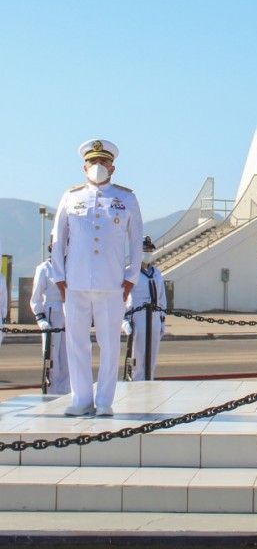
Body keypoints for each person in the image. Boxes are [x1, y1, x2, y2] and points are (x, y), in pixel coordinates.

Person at [51, 139, 143, 417]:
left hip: (112, 283)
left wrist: (131, 277)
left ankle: (104, 400)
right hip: (75, 282)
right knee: (76, 343)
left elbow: (136, 240)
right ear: (84, 167)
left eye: (103, 163)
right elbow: (58, 239)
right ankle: (81, 400)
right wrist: (59, 277)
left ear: (112, 168)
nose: (98, 167)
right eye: (94, 163)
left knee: (109, 343)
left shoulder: (126, 198)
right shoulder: (71, 197)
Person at [122, 236, 167, 381]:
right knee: (138, 355)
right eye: (144, 250)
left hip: (154, 318)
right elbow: (122, 298)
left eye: (149, 250)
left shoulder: (157, 273)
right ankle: (137, 383)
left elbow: (161, 298)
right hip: (138, 318)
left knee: (152, 356)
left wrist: (162, 319)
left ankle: (150, 380)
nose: (148, 253)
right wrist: (124, 321)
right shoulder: (130, 273)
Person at [30, 240, 71, 394]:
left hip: (68, 314)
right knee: (51, 358)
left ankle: (67, 392)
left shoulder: (71, 267)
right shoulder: (44, 269)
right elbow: (36, 297)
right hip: (51, 314)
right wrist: (40, 318)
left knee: (68, 357)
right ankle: (51, 391)